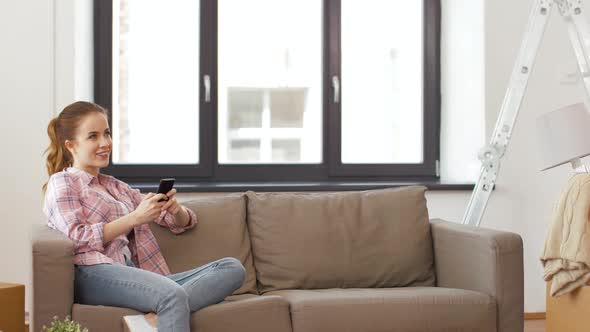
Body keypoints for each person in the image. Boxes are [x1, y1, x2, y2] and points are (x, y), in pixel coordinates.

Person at [41, 101, 246, 331]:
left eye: (107, 134)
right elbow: (76, 237)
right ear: (71, 145)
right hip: (92, 272)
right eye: (93, 136)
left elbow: (180, 223)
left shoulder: (115, 186)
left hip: (128, 270)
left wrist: (175, 209)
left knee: (232, 268)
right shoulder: (63, 182)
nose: (105, 143)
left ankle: (154, 319)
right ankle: (167, 307)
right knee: (171, 295)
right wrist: (134, 218)